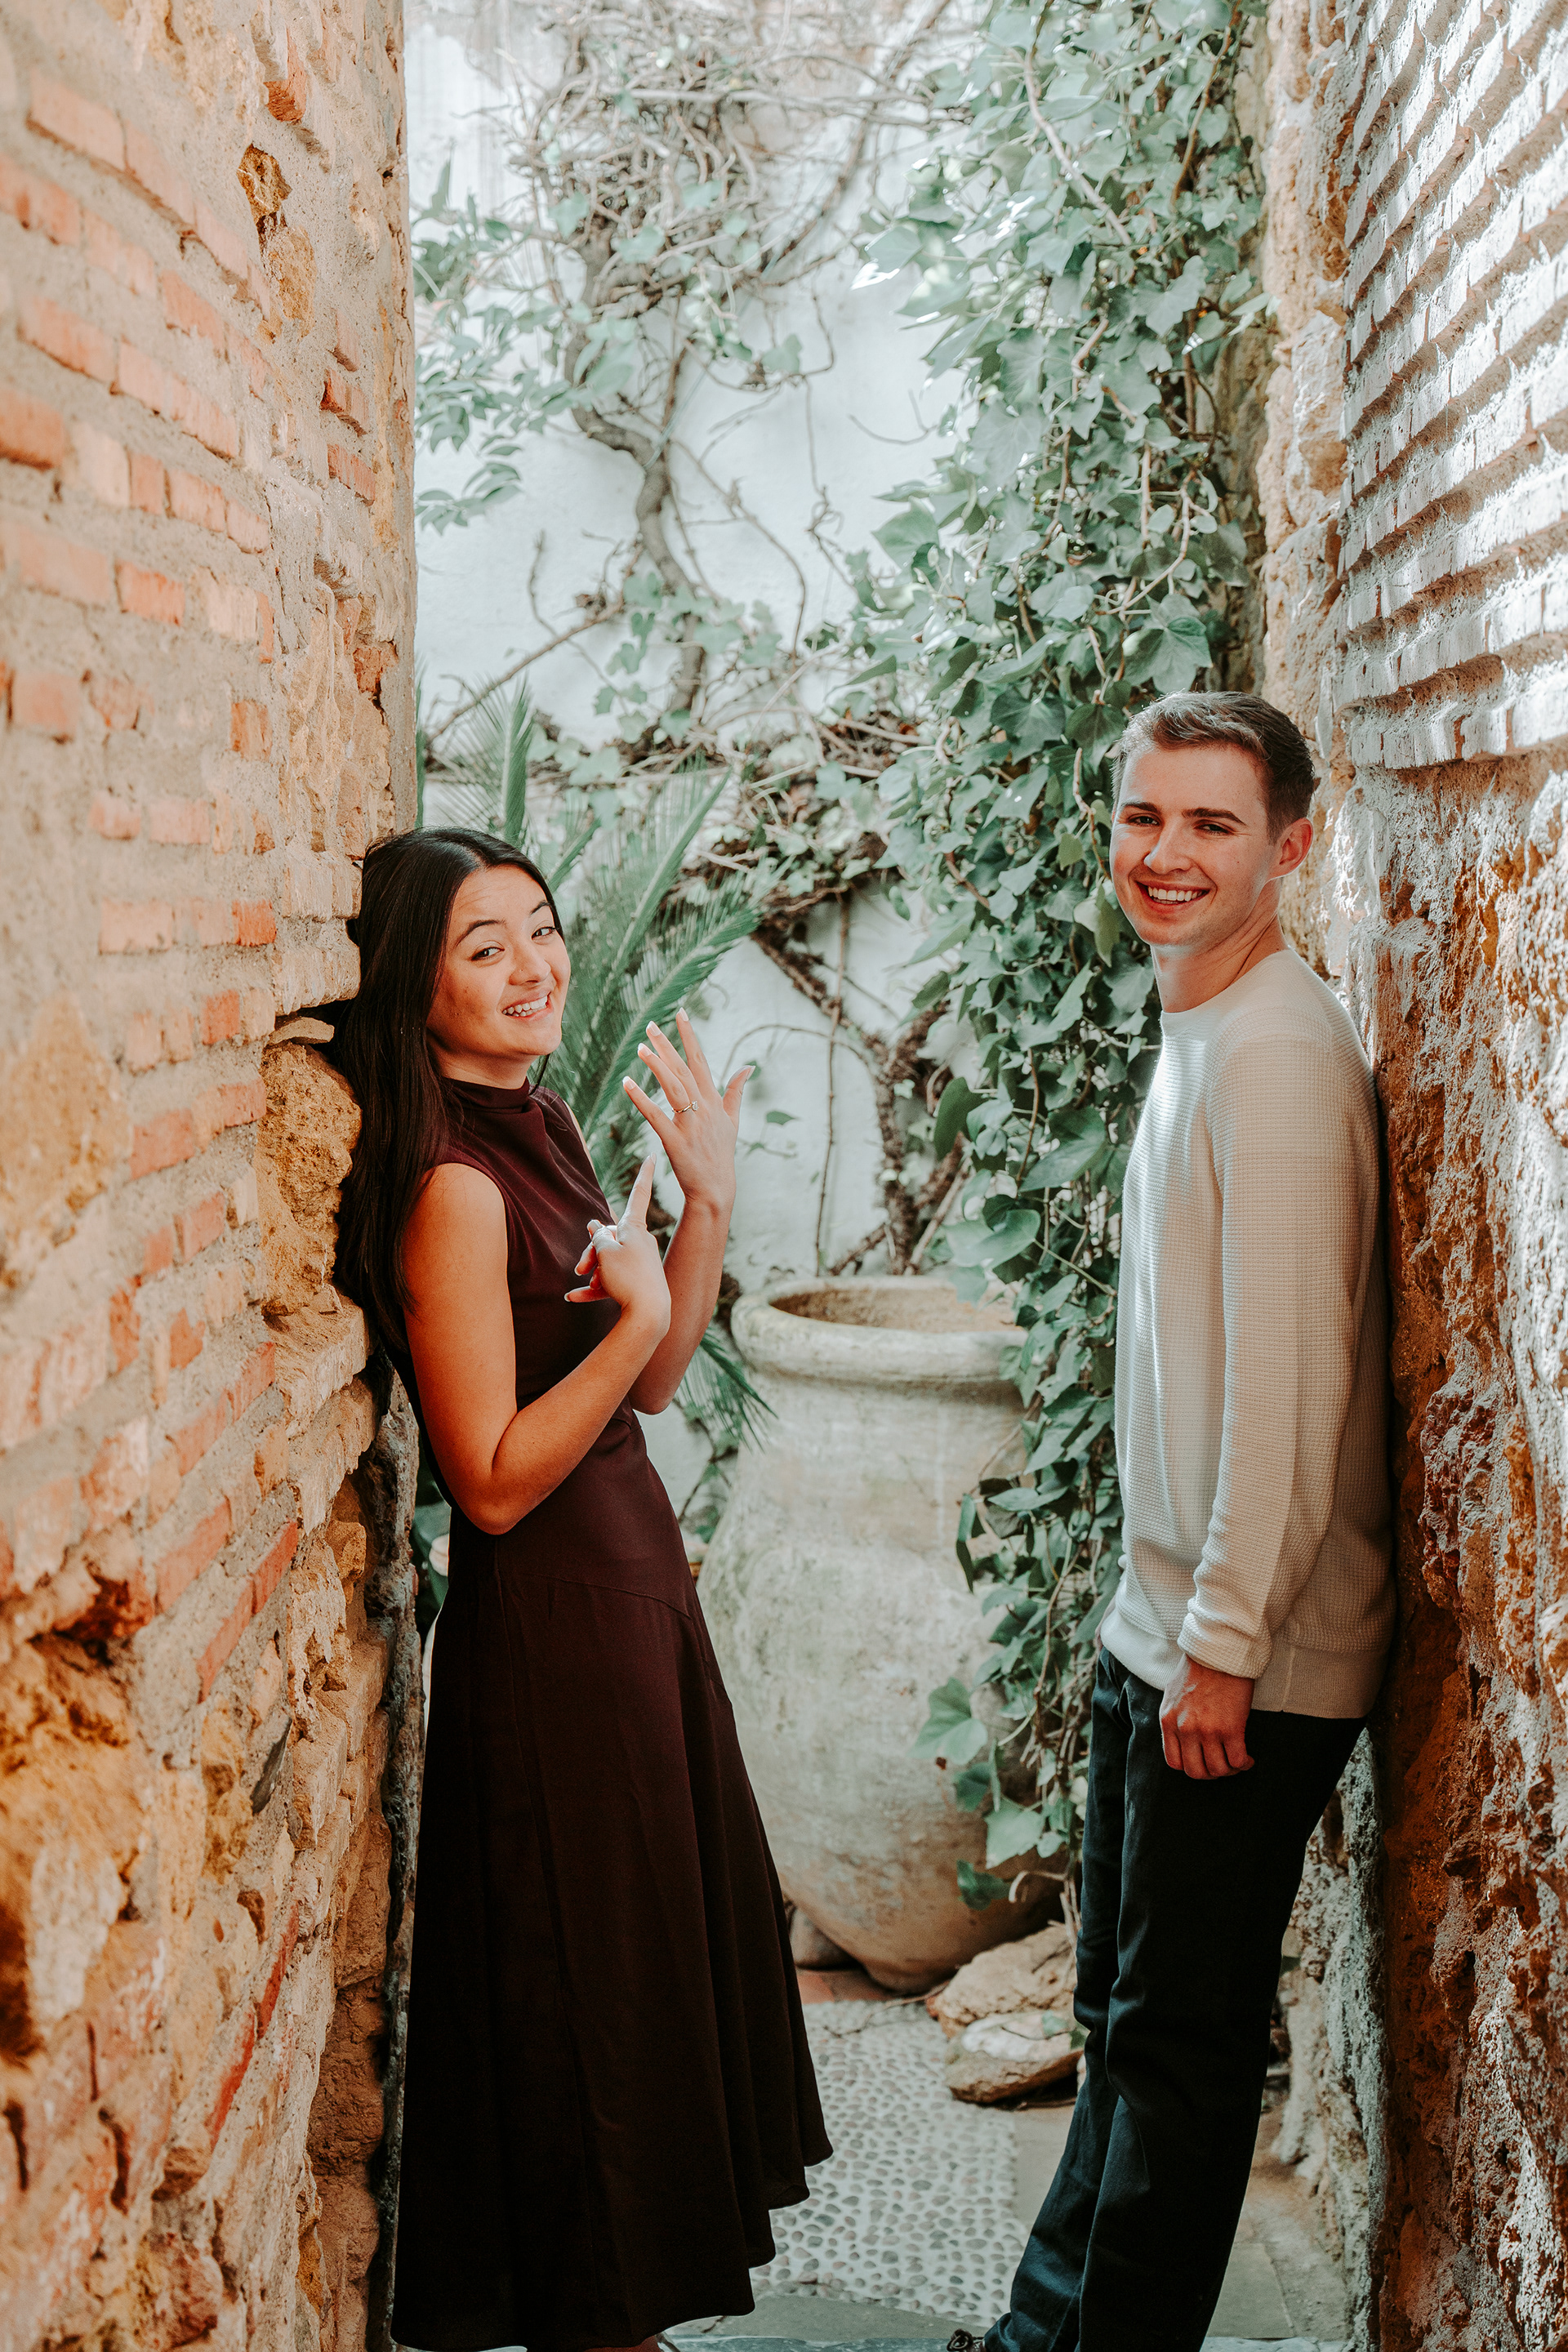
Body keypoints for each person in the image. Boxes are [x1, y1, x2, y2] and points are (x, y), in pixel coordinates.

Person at [332, 826, 829, 2352]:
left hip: (630, 1608)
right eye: (485, 947)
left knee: (640, 2004)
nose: (535, 965)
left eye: (541, 929)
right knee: (591, 2016)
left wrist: (708, 1205)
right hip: (557, 1637)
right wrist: (627, 1323)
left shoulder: (538, 1119)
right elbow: (487, 1479)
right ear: (414, 984)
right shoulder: (453, 1187)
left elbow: (654, 1382)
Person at [973, 693, 1393, 2352]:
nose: (1166, 854)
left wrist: (1220, 1647)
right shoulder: (1207, 1018)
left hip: (1244, 1665)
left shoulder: (1277, 1056)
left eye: (1213, 825)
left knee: (1177, 2053)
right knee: (1124, 2024)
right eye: (1144, 817)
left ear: (1291, 849)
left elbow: (1287, 1389)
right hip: (1168, 1636)